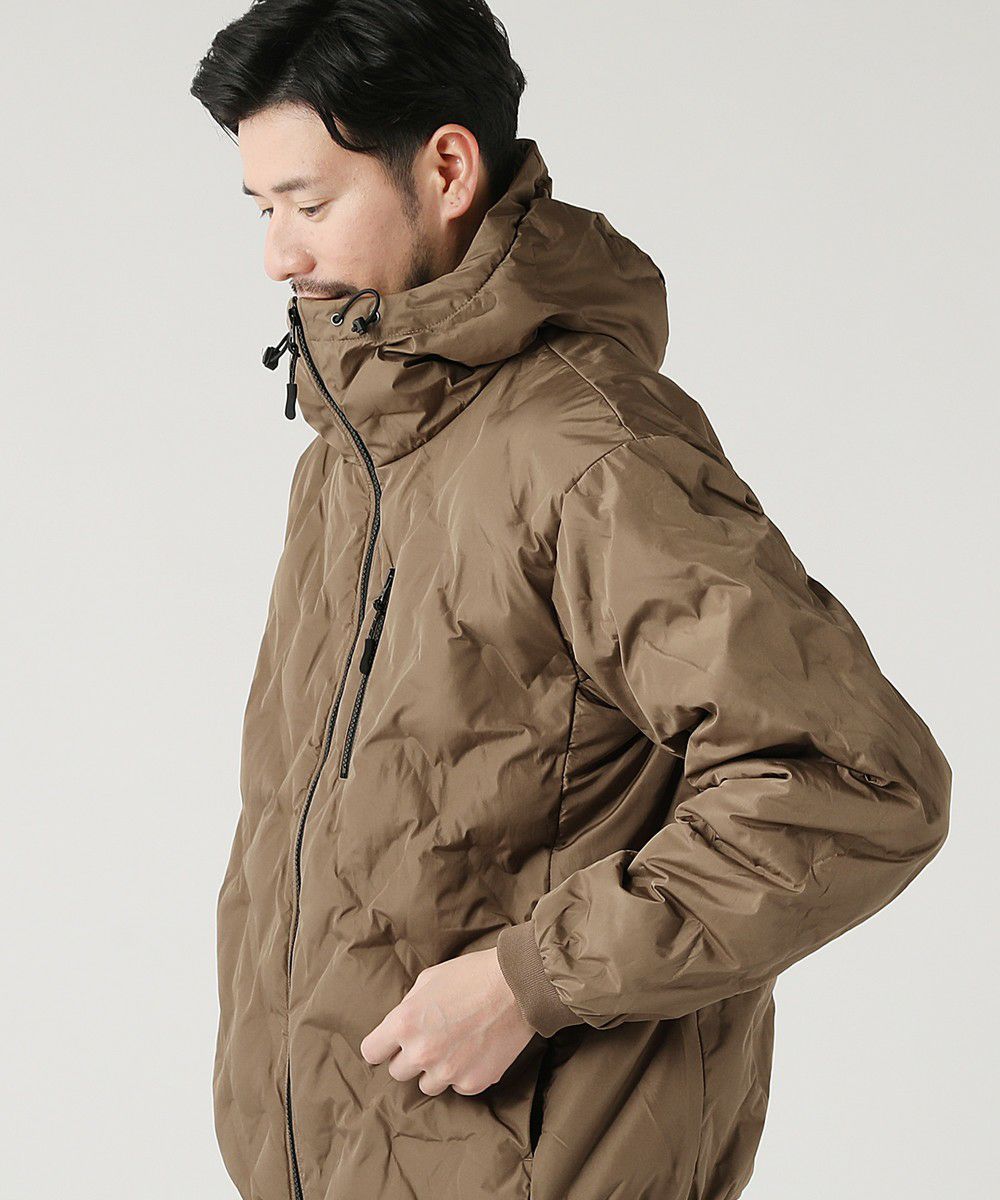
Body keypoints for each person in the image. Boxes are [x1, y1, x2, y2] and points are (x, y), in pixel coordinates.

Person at [190, 3, 952, 1199]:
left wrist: (529, 980)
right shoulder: (352, 461)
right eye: (261, 210)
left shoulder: (587, 452)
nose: (278, 257)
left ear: (447, 168)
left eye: (309, 203)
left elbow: (854, 782)